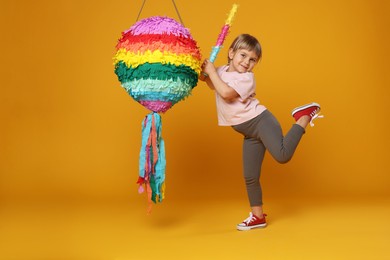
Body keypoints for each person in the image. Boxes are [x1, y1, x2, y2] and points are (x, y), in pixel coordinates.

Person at [199, 34, 323, 231]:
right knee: (250, 176)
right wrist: (205, 72)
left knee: (282, 155)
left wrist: (212, 73)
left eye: (252, 60)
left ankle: (304, 116)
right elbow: (211, 84)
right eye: (243, 55)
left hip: (261, 122)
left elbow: (226, 93)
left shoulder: (246, 78)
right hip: (249, 132)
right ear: (230, 53)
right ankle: (258, 217)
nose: (247, 62)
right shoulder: (220, 71)